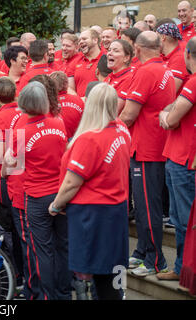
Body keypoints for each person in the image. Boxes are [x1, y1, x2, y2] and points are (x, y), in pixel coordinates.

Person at [49, 82, 130, 300]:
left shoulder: (90, 138)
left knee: (97, 273)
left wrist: (56, 205)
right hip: (115, 208)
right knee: (113, 271)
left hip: (93, 213)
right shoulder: (122, 129)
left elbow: (71, 183)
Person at [4, 81, 71, 300]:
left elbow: (10, 163)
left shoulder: (21, 131)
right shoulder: (59, 122)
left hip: (36, 196)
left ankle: (46, 296)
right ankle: (63, 294)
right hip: (60, 194)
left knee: (41, 251)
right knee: (62, 246)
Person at [119, 31, 175, 276]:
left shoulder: (145, 71)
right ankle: (142, 251)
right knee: (144, 205)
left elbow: (129, 114)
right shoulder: (164, 69)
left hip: (146, 148)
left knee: (146, 206)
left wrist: (111, 130)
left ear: (138, 49)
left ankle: (155, 260)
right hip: (156, 145)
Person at [158, 37, 196, 281]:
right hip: (178, 157)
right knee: (179, 217)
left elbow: (170, 119)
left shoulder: (193, 81)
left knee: (183, 219)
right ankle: (182, 267)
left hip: (184, 159)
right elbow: (175, 105)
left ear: (188, 55)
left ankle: (184, 269)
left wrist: (164, 114)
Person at [157, 22, 189, 95]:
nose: (155, 42)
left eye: (157, 37)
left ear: (163, 37)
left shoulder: (179, 58)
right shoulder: (163, 55)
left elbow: (170, 91)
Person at [50, 71, 85, 139]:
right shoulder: (78, 100)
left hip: (58, 140)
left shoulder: (48, 103)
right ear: (66, 84)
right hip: (76, 139)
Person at [69, 29, 103, 98]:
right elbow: (69, 88)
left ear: (95, 40)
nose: (81, 42)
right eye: (79, 40)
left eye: (84, 39)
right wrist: (80, 101)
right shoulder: (75, 62)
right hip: (80, 106)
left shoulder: (107, 59)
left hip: (99, 104)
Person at [104, 39, 134, 113]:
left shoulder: (128, 78)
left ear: (126, 58)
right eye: (109, 50)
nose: (109, 53)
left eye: (116, 51)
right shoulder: (110, 76)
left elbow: (114, 110)